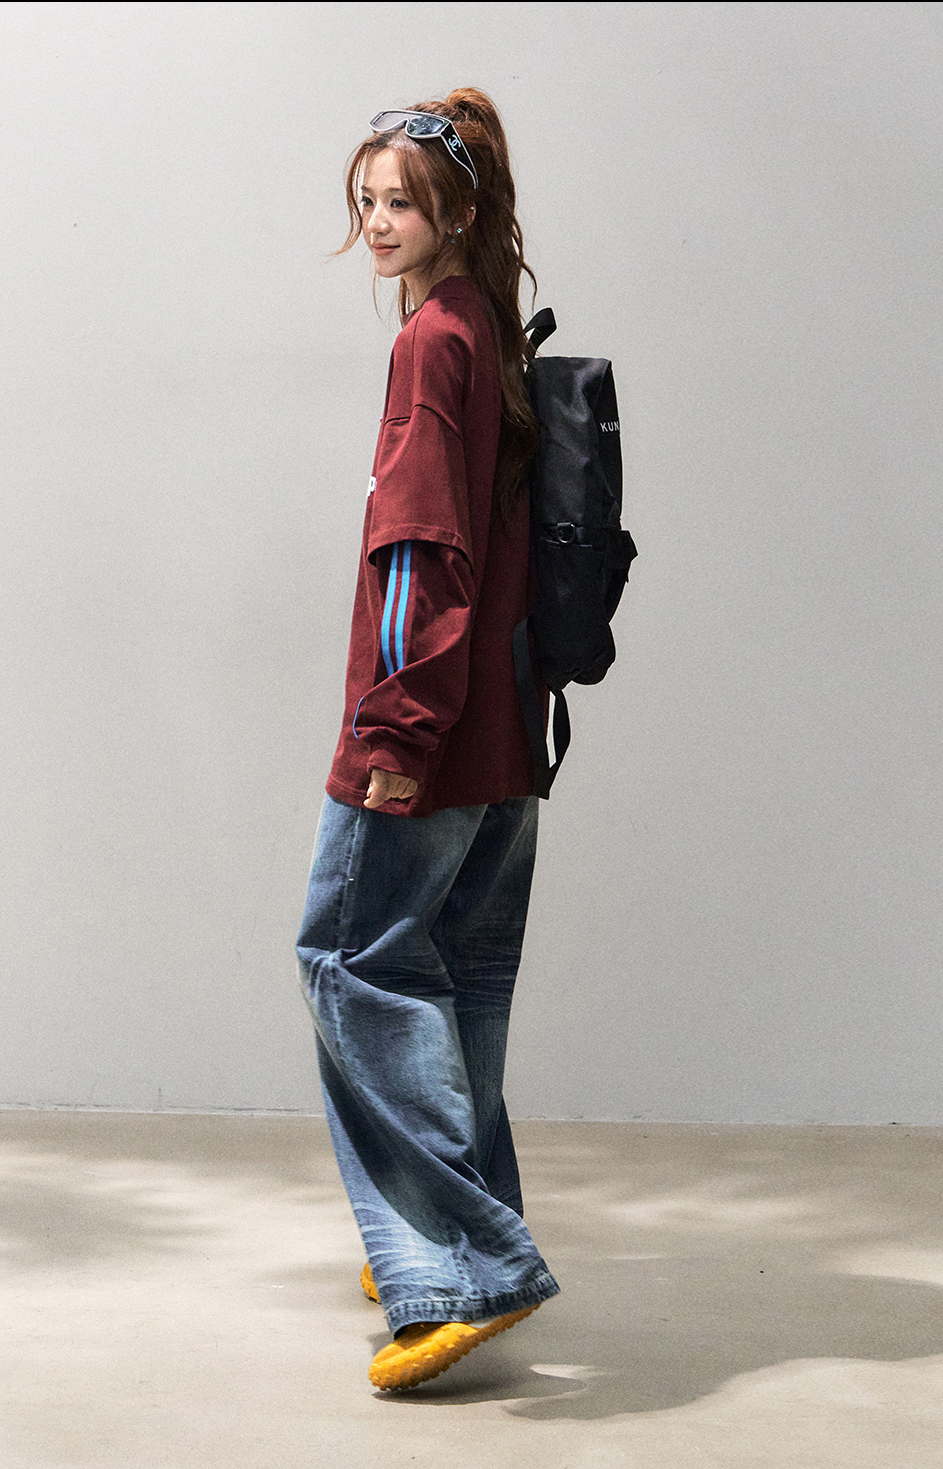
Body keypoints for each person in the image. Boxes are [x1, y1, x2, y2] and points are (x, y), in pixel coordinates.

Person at [296, 88, 559, 1392]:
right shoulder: (489, 330)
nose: (380, 223)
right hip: (506, 729)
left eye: (402, 201)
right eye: (367, 202)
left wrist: (395, 724)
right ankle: (454, 1228)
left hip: (432, 728)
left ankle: (459, 1261)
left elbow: (420, 551)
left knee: (350, 958)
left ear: (457, 208)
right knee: (454, 976)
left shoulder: (430, 346)